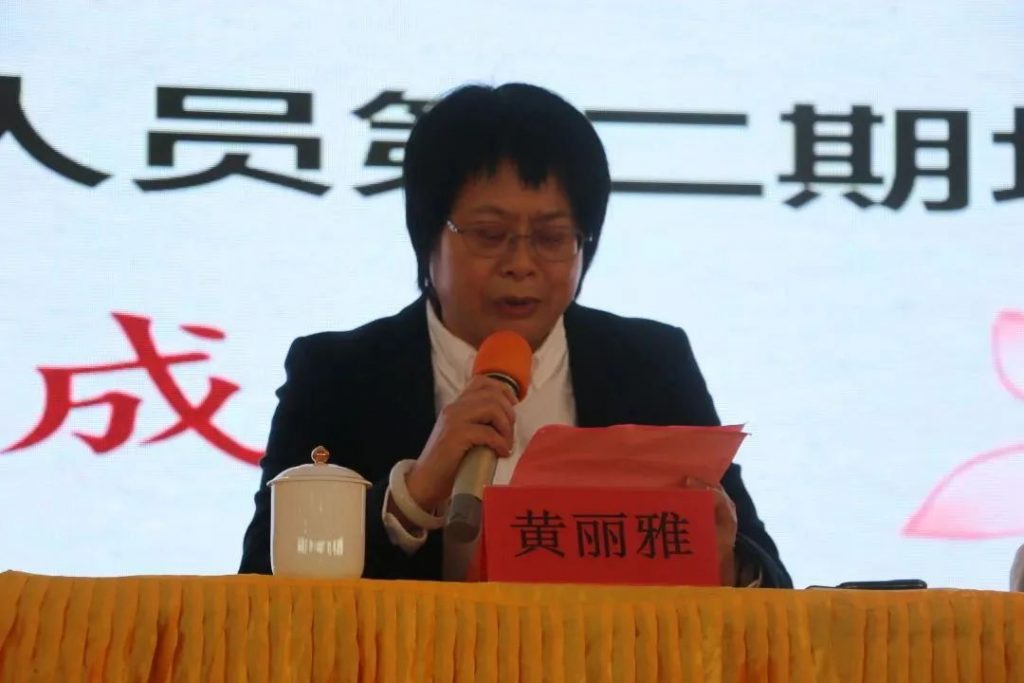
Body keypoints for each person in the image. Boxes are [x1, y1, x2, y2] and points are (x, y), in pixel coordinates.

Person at [238, 83, 791, 588]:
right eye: (489, 234)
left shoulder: (650, 364)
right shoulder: (338, 374)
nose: (521, 264)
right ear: (427, 235)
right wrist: (413, 496)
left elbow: (768, 578)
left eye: (552, 237)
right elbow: (264, 586)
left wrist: (725, 566)